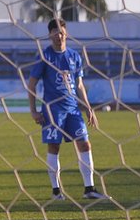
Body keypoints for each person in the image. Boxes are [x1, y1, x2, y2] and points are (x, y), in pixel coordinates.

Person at [25, 19, 107, 201]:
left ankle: (90, 189)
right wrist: (33, 111)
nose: (58, 35)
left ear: (66, 34)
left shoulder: (74, 56)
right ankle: (56, 192)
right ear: (50, 35)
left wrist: (88, 108)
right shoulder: (44, 56)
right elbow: (31, 84)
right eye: (55, 32)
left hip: (72, 109)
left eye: (61, 32)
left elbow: (79, 84)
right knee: (54, 147)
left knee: (85, 144)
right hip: (52, 110)